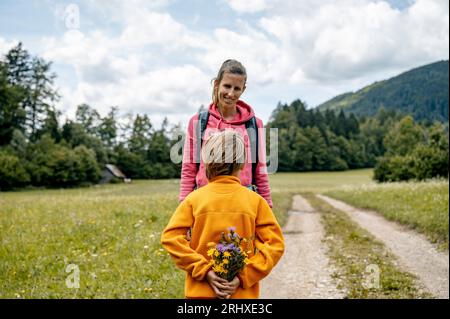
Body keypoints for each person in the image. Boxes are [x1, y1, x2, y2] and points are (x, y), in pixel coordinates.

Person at [161, 131, 284, 299]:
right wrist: (244, 276)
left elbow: (170, 238)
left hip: (199, 294)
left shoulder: (193, 199)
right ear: (242, 164)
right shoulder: (256, 201)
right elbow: (275, 245)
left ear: (206, 162)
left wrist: (204, 270)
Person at [179, 59, 273, 208]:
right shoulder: (198, 122)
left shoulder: (254, 125)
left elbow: (260, 171)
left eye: (237, 88)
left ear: (243, 89)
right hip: (205, 201)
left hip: (243, 201)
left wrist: (267, 206)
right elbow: (189, 169)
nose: (231, 93)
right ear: (216, 84)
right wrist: (184, 205)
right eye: (227, 86)